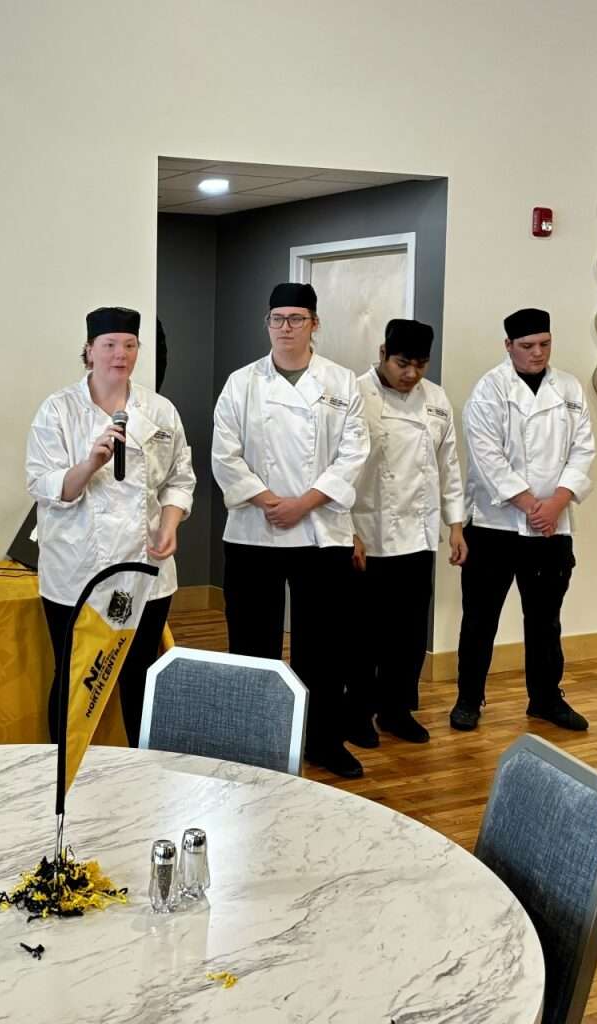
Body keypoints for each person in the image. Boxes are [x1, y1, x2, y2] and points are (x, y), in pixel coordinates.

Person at [211, 282, 369, 778]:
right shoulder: (242, 383)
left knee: (323, 646)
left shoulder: (342, 384)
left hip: (320, 532)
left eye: (296, 319)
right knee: (252, 642)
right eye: (277, 318)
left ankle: (323, 739)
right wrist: (268, 500)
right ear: (268, 323)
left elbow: (354, 454)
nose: (285, 328)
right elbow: (224, 454)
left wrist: (304, 502)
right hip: (255, 531)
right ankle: (254, 738)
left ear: (314, 324)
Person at [26, 306, 195, 746]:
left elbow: (180, 477)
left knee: (141, 676)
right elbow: (43, 484)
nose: (120, 354)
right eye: (109, 345)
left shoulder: (159, 410)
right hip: (76, 571)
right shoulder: (58, 410)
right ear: (89, 351)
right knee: (76, 675)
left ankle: (144, 772)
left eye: (129, 345)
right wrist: (90, 463)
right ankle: (62, 775)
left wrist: (171, 523)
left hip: (147, 569)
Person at [450, 308, 595, 732]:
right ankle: (468, 700)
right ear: (508, 346)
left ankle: (547, 699)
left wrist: (556, 503)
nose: (537, 353)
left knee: (546, 618)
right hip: (495, 526)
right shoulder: (489, 390)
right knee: (480, 618)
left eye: (545, 345)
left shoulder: (568, 388)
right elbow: (486, 457)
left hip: (552, 527)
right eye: (528, 346)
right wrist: (532, 503)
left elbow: (584, 450)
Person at [348, 319, 465, 747]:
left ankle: (396, 710)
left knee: (409, 633)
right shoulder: (355, 394)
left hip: (416, 534)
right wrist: (348, 530)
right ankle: (356, 713)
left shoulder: (436, 400)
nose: (411, 374)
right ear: (382, 353)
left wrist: (455, 525)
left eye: (420, 365)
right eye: (402, 363)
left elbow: (448, 465)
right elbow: (341, 468)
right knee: (363, 635)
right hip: (368, 532)